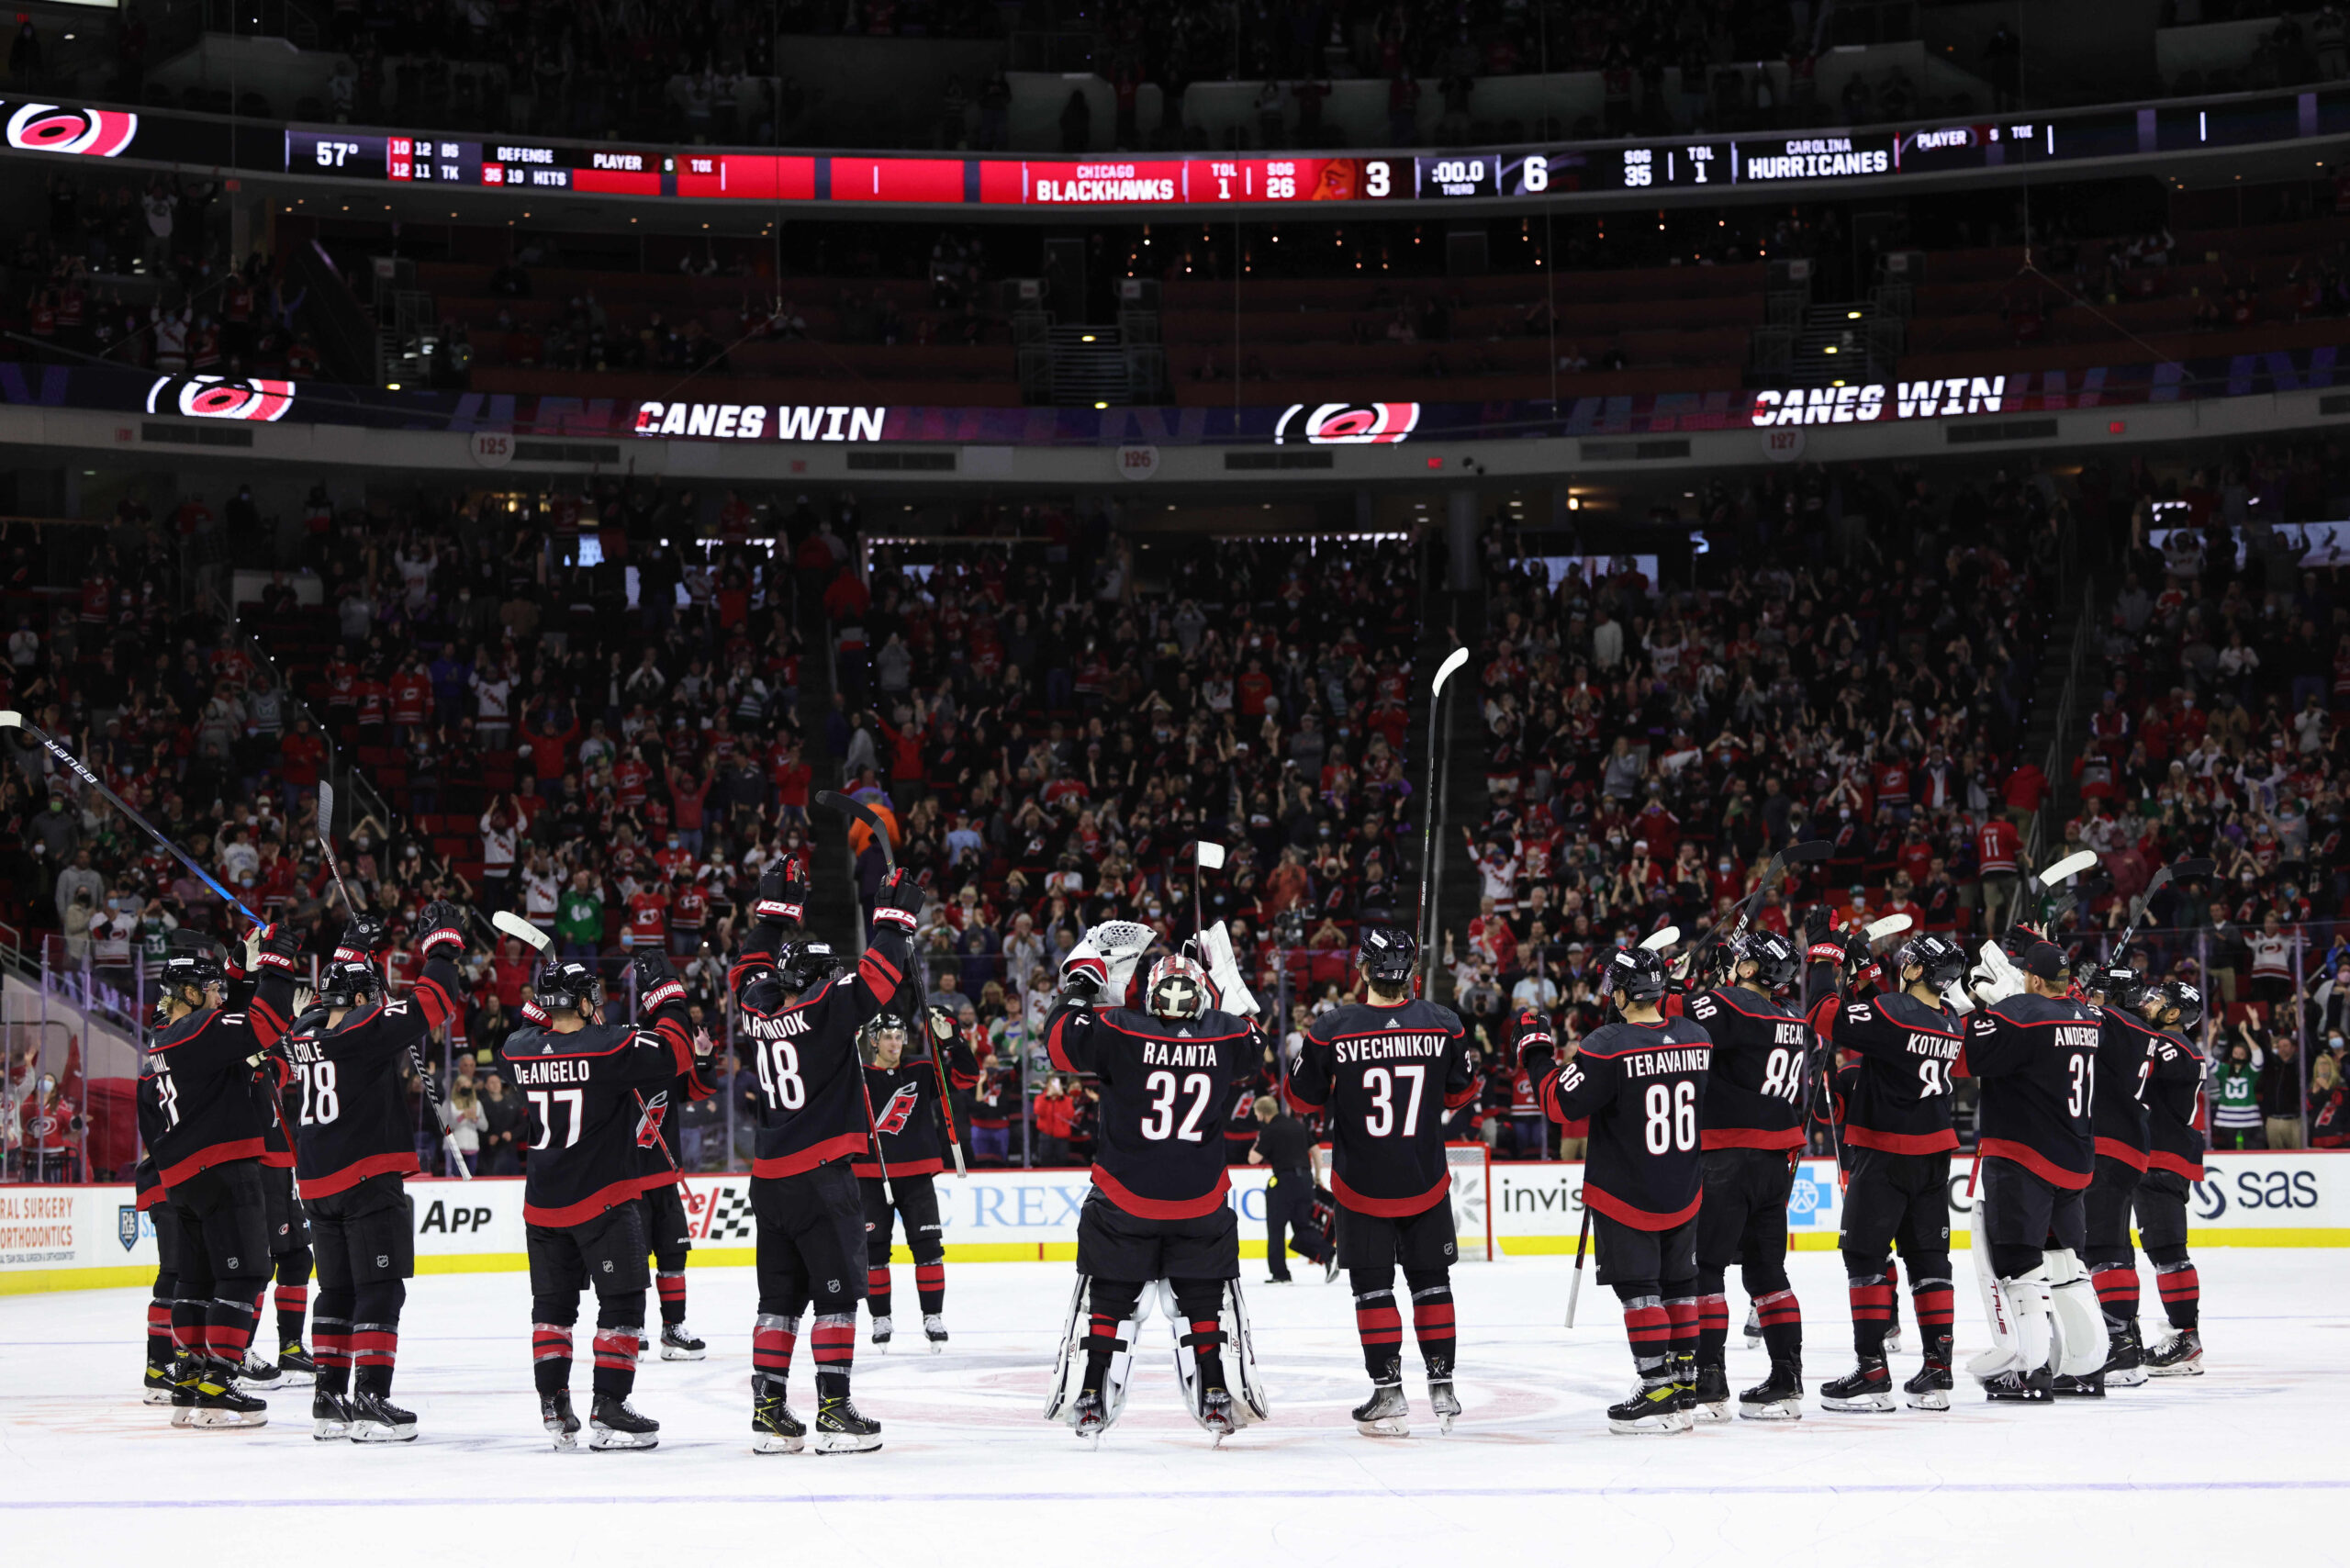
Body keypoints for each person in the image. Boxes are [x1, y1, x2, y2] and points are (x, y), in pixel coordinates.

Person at [731, 857, 923, 1454]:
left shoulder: (757, 1011)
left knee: (778, 1300)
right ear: (819, 979)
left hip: (769, 1178)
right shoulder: (825, 1012)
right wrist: (892, 918)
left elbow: (747, 967)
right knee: (837, 1296)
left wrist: (773, 914)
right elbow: (878, 981)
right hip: (822, 1178)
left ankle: (769, 1411)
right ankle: (834, 1410)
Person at [1044, 935, 1264, 1441]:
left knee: (1111, 1298)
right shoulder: (1226, 1035)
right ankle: (1213, 1388)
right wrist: (1222, 977)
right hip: (1200, 1201)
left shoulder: (1119, 1028)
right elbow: (1255, 1042)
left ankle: (1093, 1389)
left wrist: (1082, 982)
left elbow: (1059, 1042)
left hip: (1124, 1199)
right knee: (1203, 1301)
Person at [498, 945, 710, 1450]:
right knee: (622, 1302)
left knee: (552, 1308)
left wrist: (547, 1000)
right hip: (603, 1201)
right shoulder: (610, 1046)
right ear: (581, 1000)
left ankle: (553, 1403)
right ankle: (610, 1406)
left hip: (542, 1205)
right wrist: (667, 991)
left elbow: (529, 1031)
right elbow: (678, 1051)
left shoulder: (517, 1050)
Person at [282, 901, 467, 1441]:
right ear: (364, 1000)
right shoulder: (365, 1029)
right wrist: (442, 945)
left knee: (336, 1292)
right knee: (380, 1289)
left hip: (317, 1183)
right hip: (365, 1180)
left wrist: (353, 945)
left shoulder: (305, 1032)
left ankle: (328, 1397)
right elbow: (434, 1001)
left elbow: (334, 998)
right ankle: (370, 1398)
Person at [1285, 926, 1474, 1435]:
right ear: (1410, 973)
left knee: (1373, 1289)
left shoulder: (1331, 1028)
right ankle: (1443, 1387)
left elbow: (1300, 1099)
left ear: (1363, 969)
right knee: (1433, 1283)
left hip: (1361, 1185)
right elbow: (1460, 1095)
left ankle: (1388, 1393)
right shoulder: (1444, 1024)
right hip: (1425, 1179)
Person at [1521, 945, 1712, 1433]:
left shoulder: (1607, 1043)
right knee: (1680, 1285)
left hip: (1628, 1189)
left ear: (1625, 994)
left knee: (1640, 1290)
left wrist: (1537, 1050)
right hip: (1684, 1185)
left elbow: (1559, 1104)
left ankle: (1655, 1388)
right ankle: (1685, 1381)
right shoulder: (1697, 1036)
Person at [139, 921, 302, 1428]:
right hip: (222, 1170)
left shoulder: (159, 1046)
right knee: (247, 1271)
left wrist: (237, 968)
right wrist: (277, 958)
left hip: (182, 1179)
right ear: (188, 992)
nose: (217, 997)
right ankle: (218, 1382)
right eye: (210, 989)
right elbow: (264, 1022)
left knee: (197, 1277)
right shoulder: (200, 1031)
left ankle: (188, 1378)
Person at [1813, 932, 1968, 1412]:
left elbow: (1824, 1013)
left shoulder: (1894, 1013)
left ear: (1919, 971)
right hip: (1933, 1154)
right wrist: (1865, 974)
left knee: (1863, 1257)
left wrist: (1825, 954)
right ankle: (1938, 1371)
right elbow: (1884, 1022)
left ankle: (1872, 1370)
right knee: (1929, 1261)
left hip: (1885, 1153)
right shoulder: (1950, 1019)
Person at [1666, 927, 1807, 1421]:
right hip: (1775, 1162)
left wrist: (1677, 983)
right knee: (1767, 1271)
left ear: (1749, 969)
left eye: (1740, 960)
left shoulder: (1729, 1004)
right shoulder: (1793, 1015)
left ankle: (1709, 1381)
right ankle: (1788, 1380)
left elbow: (1675, 1020)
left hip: (1727, 1156)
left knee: (1705, 1268)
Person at [1958, 939, 2106, 1402]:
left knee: (2019, 1267)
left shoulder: (2025, 1012)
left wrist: (1974, 1008)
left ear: (2035, 980)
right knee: (2066, 1265)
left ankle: (2028, 1370)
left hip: (2024, 1157)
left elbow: (1964, 1059)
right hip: (2074, 1159)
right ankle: (2086, 1369)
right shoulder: (2086, 1016)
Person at [857, 1005, 979, 1351]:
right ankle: (881, 1318)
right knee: (874, 1251)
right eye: (887, 1038)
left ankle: (932, 1317)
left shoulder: (922, 1067)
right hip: (870, 1174)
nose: (895, 1044)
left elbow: (967, 1078)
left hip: (917, 1174)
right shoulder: (858, 1073)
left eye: (899, 1037)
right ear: (873, 1041)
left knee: (928, 1249)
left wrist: (953, 1042)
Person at [633, 969, 718, 1365]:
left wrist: (702, 1059)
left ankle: (673, 1328)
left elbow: (695, 1090)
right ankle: (630, 1327)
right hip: (627, 1180)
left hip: (664, 1178)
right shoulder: (622, 1056)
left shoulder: (668, 1062)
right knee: (631, 1259)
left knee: (673, 1254)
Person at [2132, 980, 2210, 1375]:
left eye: (2156, 1001)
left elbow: (2130, 1055)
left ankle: (2186, 1339)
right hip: (2158, 1156)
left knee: (2167, 1251)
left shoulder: (2173, 1046)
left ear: (2175, 1013)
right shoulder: (2172, 1043)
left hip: (2163, 1158)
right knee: (2163, 1251)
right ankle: (2184, 1336)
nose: (2146, 1003)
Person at [1248, 1093, 1331, 1284]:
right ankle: (1329, 1253)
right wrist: (1317, 1177)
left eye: (1256, 1112)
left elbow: (1253, 1159)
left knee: (1276, 1229)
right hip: (1305, 1181)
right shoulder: (1298, 1125)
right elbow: (1316, 1151)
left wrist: (1257, 1142)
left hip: (1284, 1182)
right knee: (1302, 1225)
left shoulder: (1269, 1130)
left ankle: (1280, 1274)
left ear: (1262, 1113)